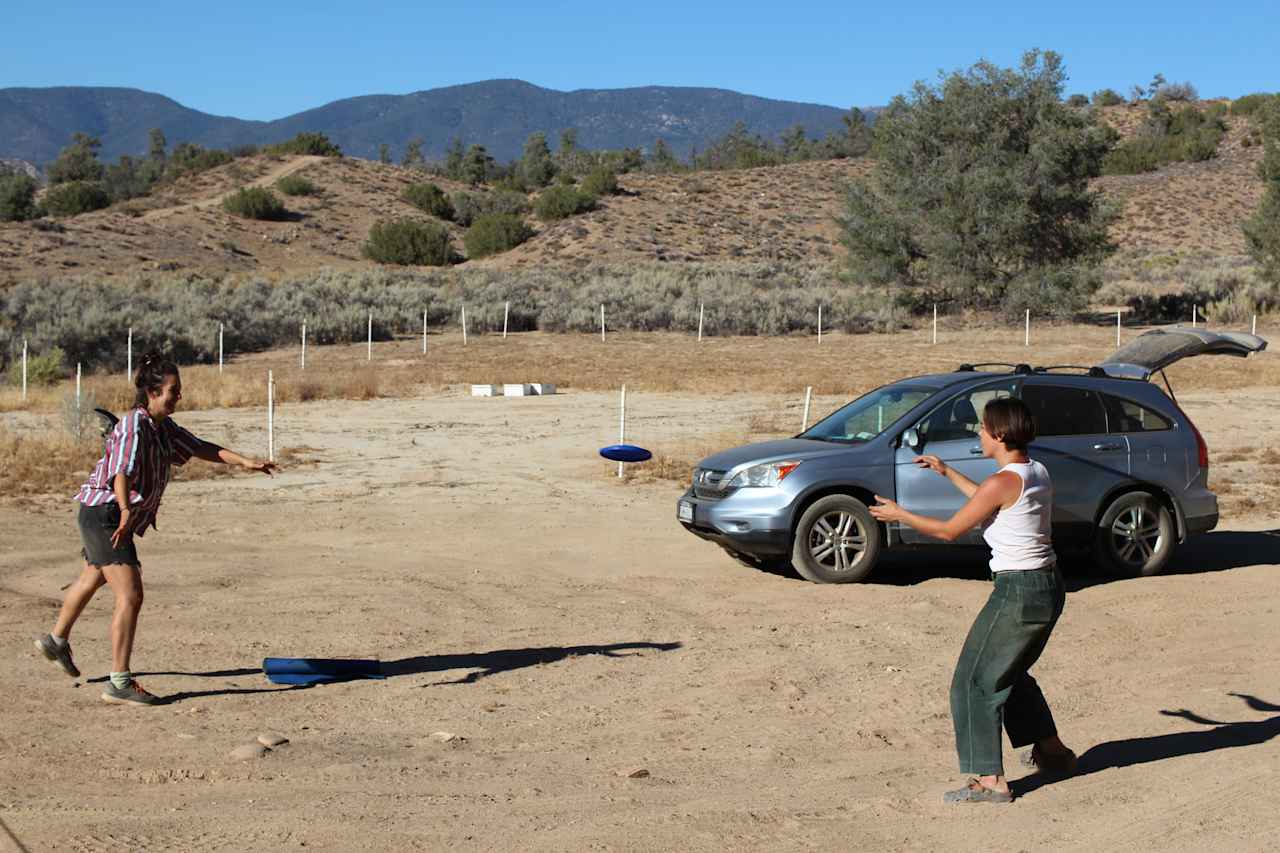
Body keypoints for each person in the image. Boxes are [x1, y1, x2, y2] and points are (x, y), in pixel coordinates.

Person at [34, 352, 276, 706]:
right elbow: (121, 470)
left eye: (179, 390)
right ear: (152, 392)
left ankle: (56, 641)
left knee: (94, 576)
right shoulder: (134, 423)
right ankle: (119, 682)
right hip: (107, 513)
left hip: (103, 512)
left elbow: (199, 447)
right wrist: (125, 509)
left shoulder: (163, 428)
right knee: (130, 595)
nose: (178, 396)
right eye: (173, 390)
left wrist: (245, 462)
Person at [868, 397, 1077, 803]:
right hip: (1047, 586)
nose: (978, 433)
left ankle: (990, 780)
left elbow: (949, 530)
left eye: (983, 428)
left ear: (999, 434)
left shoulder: (1002, 482)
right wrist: (947, 472)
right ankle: (1053, 753)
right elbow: (989, 498)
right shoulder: (1034, 471)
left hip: (1019, 591)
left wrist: (901, 515)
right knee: (1008, 673)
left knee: (974, 680)